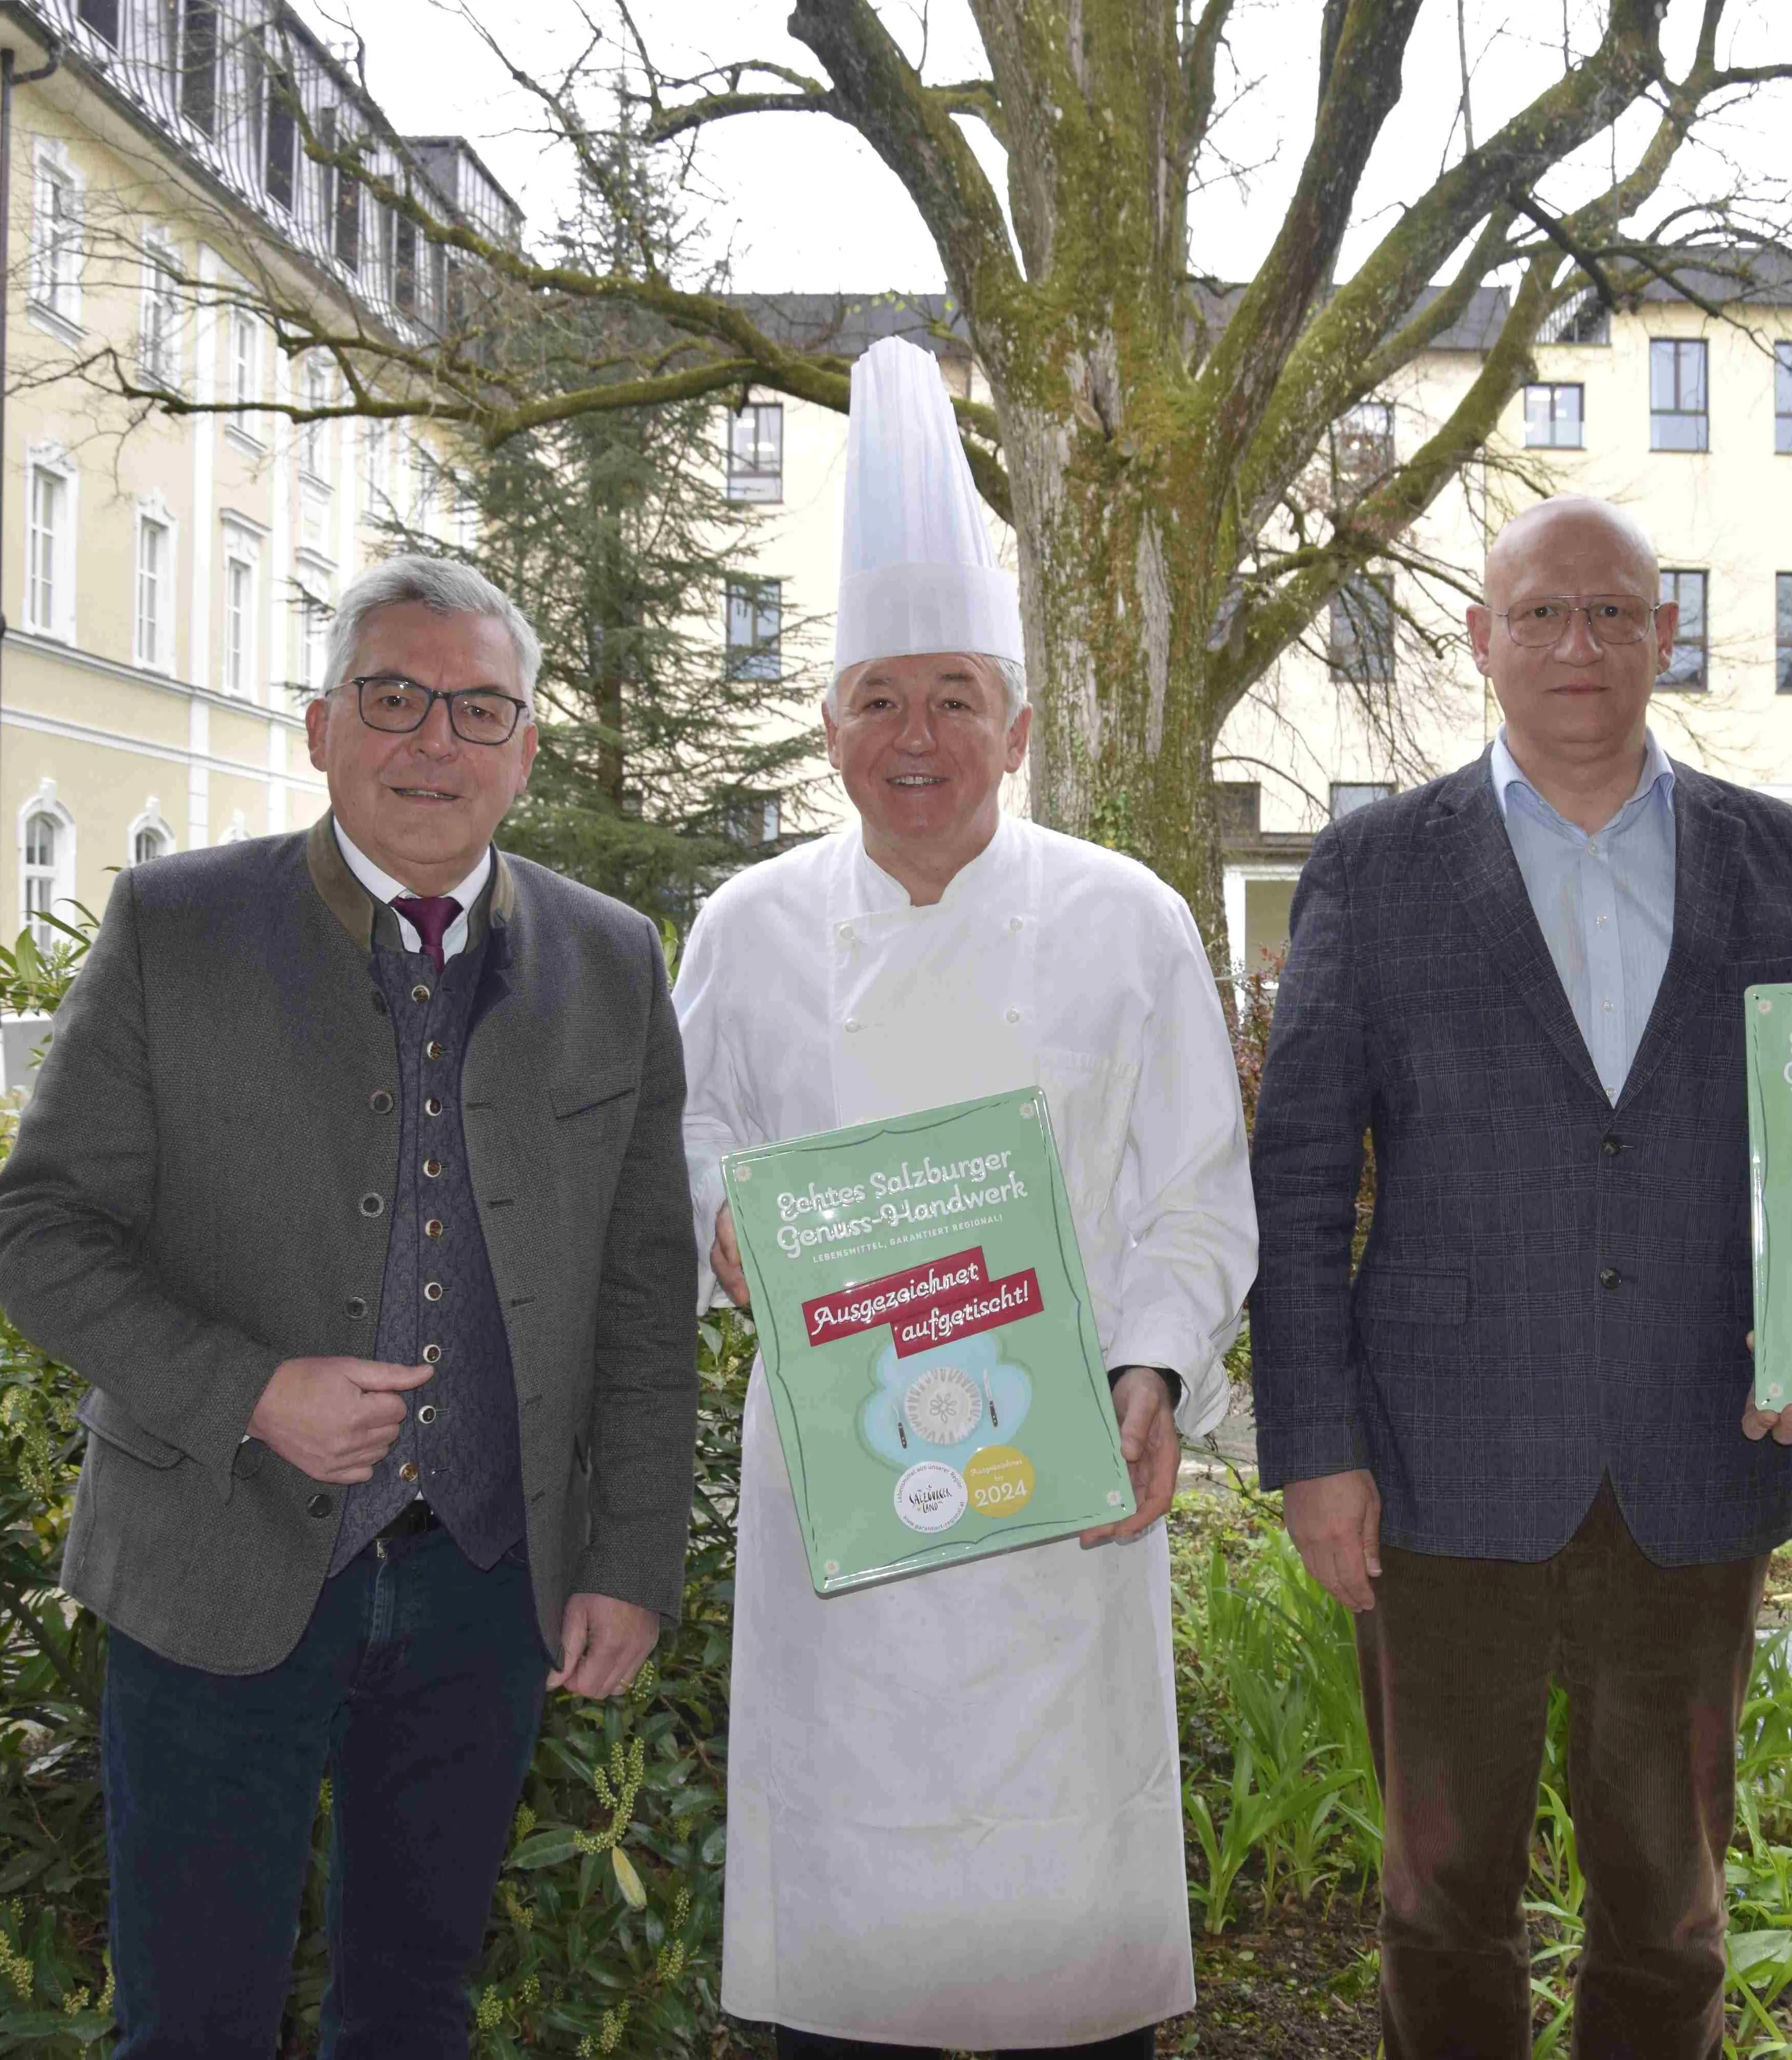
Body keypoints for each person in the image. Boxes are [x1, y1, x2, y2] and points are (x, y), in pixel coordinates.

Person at [0, 555, 700, 2057]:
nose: (434, 742)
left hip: (486, 1588)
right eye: (394, 698)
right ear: (322, 728)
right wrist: (249, 1387)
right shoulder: (177, 927)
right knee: (192, 2027)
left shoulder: (615, 961)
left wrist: (628, 1558)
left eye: (477, 709)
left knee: (412, 2014)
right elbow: (38, 1231)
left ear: (527, 750)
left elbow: (642, 1291)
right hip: (209, 1564)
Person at [676, 336, 1256, 2058]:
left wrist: (1150, 1373)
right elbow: (690, 1138)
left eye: (950, 698)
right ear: (827, 723)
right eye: (878, 699)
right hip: (833, 1516)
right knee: (847, 1974)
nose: (914, 736)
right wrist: (726, 1227)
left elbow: (1198, 1202)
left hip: (1058, 1484)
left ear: (1015, 722)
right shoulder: (748, 925)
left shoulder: (1128, 918)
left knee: (1058, 1953)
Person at [1249, 493, 1792, 2059]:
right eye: (1540, 614)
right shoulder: (1376, 867)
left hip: (1695, 1448)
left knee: (1669, 1907)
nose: (1576, 644)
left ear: (1665, 635)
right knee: (1443, 1903)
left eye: (1611, 613)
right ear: (1482, 638)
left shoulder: (1778, 865)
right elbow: (1304, 1172)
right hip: (1443, 1473)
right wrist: (1315, 1447)